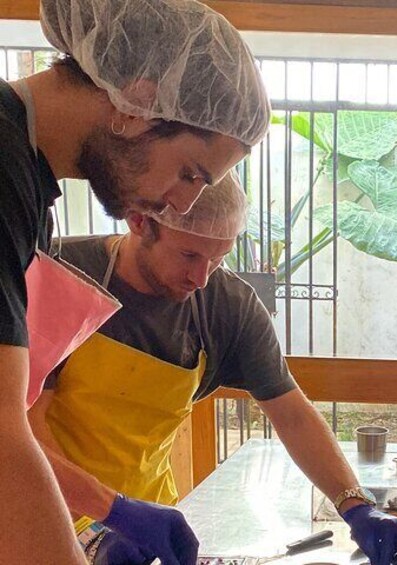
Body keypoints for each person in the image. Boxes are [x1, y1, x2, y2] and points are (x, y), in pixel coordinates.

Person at [28, 173, 397, 565]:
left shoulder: (229, 306)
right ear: (139, 221)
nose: (201, 278)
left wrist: (354, 505)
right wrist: (102, 519)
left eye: (218, 259)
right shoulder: (60, 274)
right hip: (43, 508)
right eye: (189, 255)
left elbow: (291, 413)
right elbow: (23, 427)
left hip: (149, 520)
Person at [0, 0, 269, 561]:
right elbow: (3, 438)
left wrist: (106, 515)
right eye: (191, 171)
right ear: (136, 102)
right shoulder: (3, 174)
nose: (184, 201)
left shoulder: (28, 188)